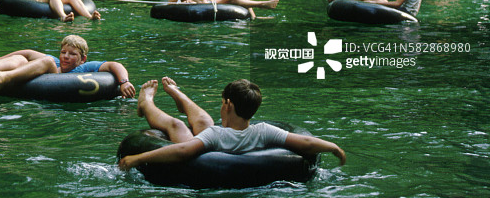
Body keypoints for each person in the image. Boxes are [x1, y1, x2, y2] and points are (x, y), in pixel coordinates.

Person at [118, 77, 346, 170]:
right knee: (205, 120)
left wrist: (136, 158)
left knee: (176, 125)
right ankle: (177, 94)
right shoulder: (264, 131)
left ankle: (146, 103)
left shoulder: (214, 136)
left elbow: (182, 151)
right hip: (227, 139)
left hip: (208, 157)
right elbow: (306, 142)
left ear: (227, 104)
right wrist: (333, 147)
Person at [0, 34, 136, 98]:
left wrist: (124, 82)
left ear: (82, 59)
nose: (65, 56)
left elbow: (114, 65)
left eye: (72, 54)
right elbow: (27, 53)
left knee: (47, 61)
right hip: (36, 80)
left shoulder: (85, 68)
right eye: (63, 52)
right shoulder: (55, 61)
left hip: (58, 85)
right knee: (21, 58)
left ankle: (4, 77)